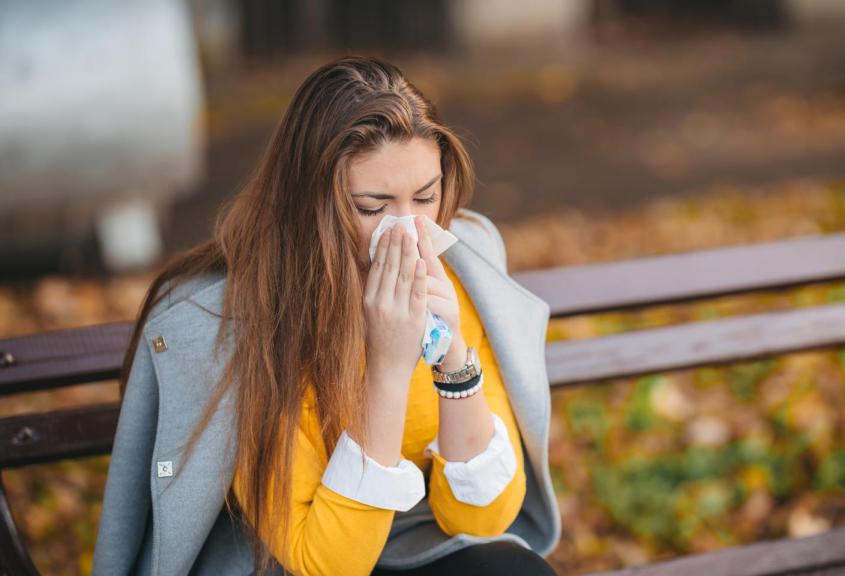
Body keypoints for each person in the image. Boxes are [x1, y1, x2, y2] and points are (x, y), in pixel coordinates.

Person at [91, 55, 561, 575]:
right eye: (372, 207)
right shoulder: (244, 323)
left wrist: (451, 355)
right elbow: (325, 564)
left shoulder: (460, 271)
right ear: (310, 202)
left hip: (418, 544)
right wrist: (385, 368)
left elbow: (483, 520)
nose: (407, 232)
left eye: (425, 197)